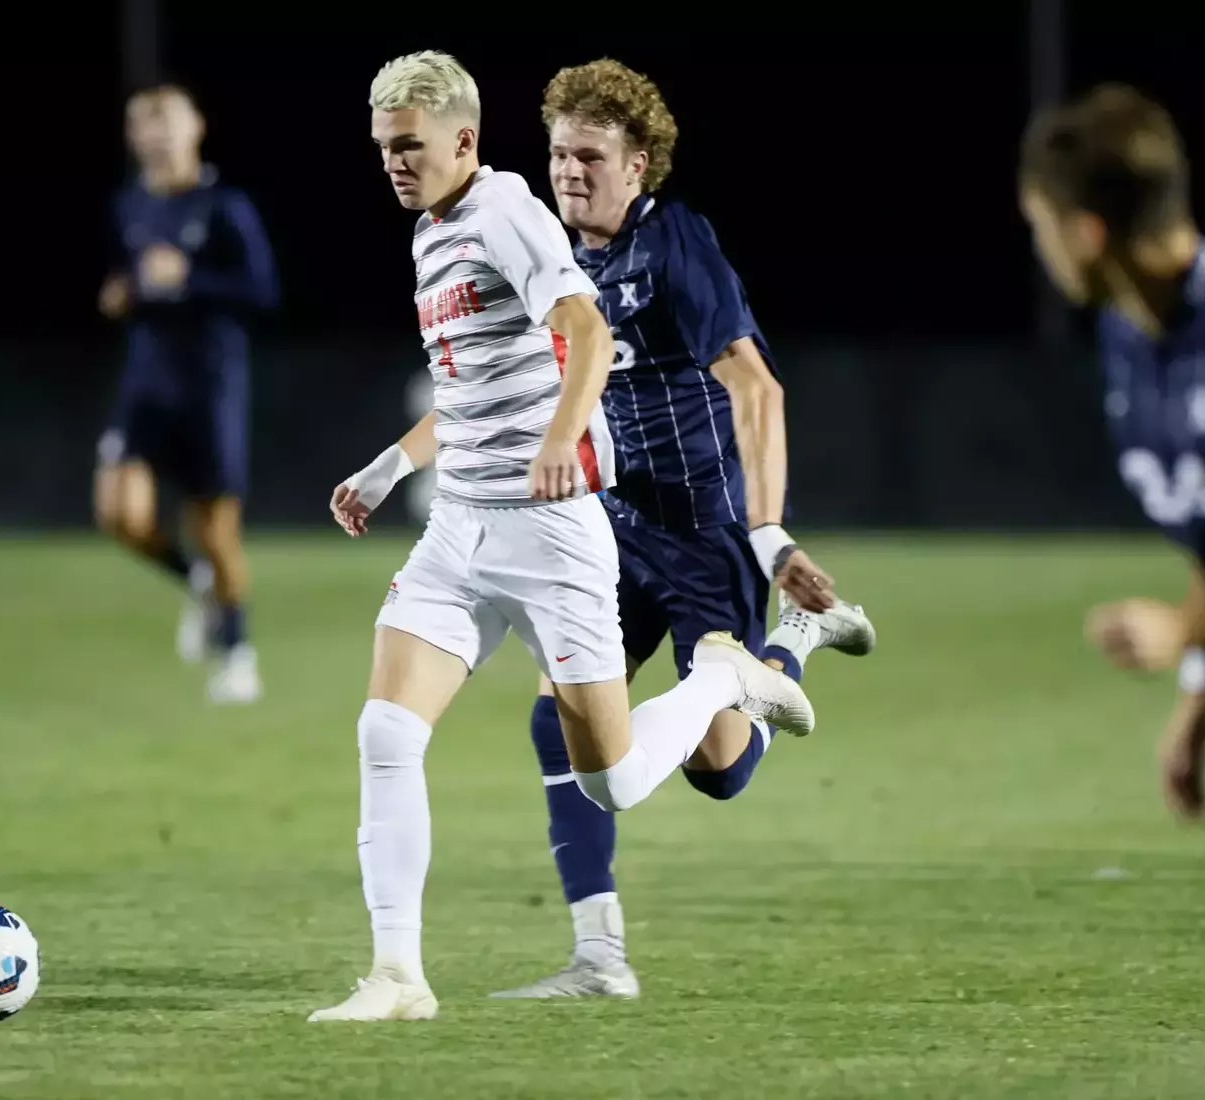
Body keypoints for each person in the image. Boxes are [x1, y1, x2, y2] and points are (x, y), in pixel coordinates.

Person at [308, 50, 814, 1024]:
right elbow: (467, 390)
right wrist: (387, 468)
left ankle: (726, 675)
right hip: (461, 529)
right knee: (385, 730)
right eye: (381, 150)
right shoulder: (432, 232)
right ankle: (400, 976)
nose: (393, 165)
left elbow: (583, 332)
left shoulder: (508, 213)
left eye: (408, 146)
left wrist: (559, 441)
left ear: (465, 139)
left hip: (561, 532)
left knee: (618, 776)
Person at [491, 59, 878, 1000]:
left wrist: (771, 535)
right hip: (613, 527)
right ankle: (599, 956)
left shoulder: (677, 244)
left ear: (641, 164)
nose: (569, 171)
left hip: (706, 526)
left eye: (590, 155)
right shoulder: (547, 252)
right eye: (557, 153)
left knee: (719, 771)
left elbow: (756, 386)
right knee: (562, 715)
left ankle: (784, 647)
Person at [1020, 84, 1205, 821]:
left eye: (1040, 223)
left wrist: (1181, 630)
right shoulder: (1130, 334)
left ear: (1086, 233)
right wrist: (1200, 702)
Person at [96, 83, 278, 704]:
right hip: (147, 384)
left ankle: (237, 653)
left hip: (210, 387)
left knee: (215, 531)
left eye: (166, 121)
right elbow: (138, 280)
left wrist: (191, 278)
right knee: (119, 513)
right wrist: (124, 293)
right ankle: (195, 582)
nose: (155, 134)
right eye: (143, 123)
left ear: (195, 126)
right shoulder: (130, 206)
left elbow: (262, 291)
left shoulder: (224, 206)